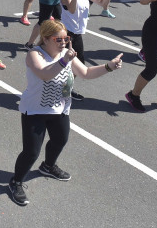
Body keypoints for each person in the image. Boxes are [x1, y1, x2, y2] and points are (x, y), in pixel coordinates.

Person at [8, 18, 123, 206]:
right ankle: (16, 181)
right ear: (45, 39)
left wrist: (109, 66)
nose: (63, 43)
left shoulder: (65, 54)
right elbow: (45, 74)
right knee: (31, 152)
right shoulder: (35, 54)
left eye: (66, 39)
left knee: (60, 140)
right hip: (35, 110)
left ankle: (48, 166)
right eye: (58, 39)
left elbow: (85, 73)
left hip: (59, 109)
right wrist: (64, 61)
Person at [58, 0, 118, 100]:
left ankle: (64, 88)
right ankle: (61, 89)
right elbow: (72, 10)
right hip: (66, 35)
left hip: (77, 34)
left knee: (77, 65)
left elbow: (103, 3)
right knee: (70, 65)